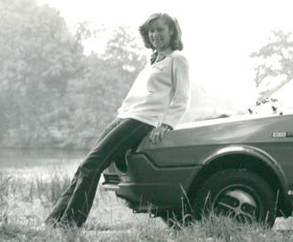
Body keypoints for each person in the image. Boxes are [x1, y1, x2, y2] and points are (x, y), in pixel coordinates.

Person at [46, 12, 190, 228]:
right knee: (84, 167)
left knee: (91, 167)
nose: (155, 34)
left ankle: (70, 225)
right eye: (151, 31)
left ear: (172, 31)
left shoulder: (177, 59)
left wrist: (167, 124)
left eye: (160, 29)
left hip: (142, 120)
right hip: (125, 116)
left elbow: (182, 97)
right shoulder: (153, 60)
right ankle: (53, 223)